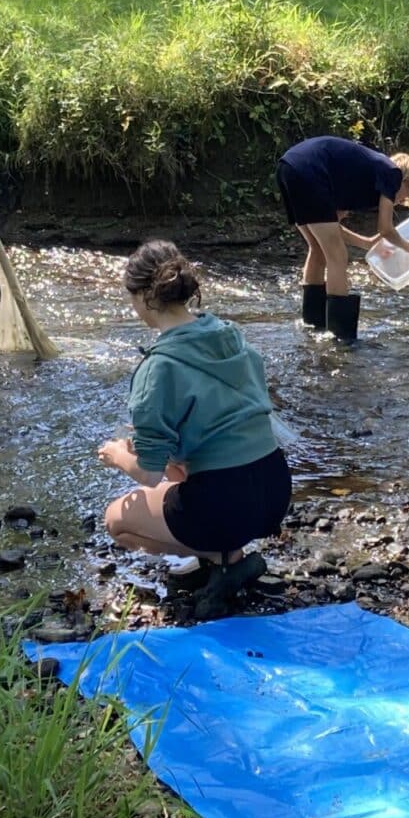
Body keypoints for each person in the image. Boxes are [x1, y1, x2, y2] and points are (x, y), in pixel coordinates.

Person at [98, 241, 291, 618]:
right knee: (188, 472)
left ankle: (223, 559)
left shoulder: (158, 367)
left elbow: (150, 475)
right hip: (274, 490)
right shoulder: (228, 333)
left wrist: (117, 455)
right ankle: (225, 556)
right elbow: (228, 418)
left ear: (143, 297)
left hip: (222, 503)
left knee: (115, 521)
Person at [276, 135, 409, 343]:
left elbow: (332, 226)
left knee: (318, 248)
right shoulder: (393, 173)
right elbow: (385, 228)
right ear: (406, 181)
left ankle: (313, 324)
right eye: (406, 196)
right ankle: (340, 337)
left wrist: (367, 243)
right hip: (310, 169)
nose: (399, 202)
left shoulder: (359, 177)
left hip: (288, 166)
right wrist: (408, 247)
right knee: (337, 256)